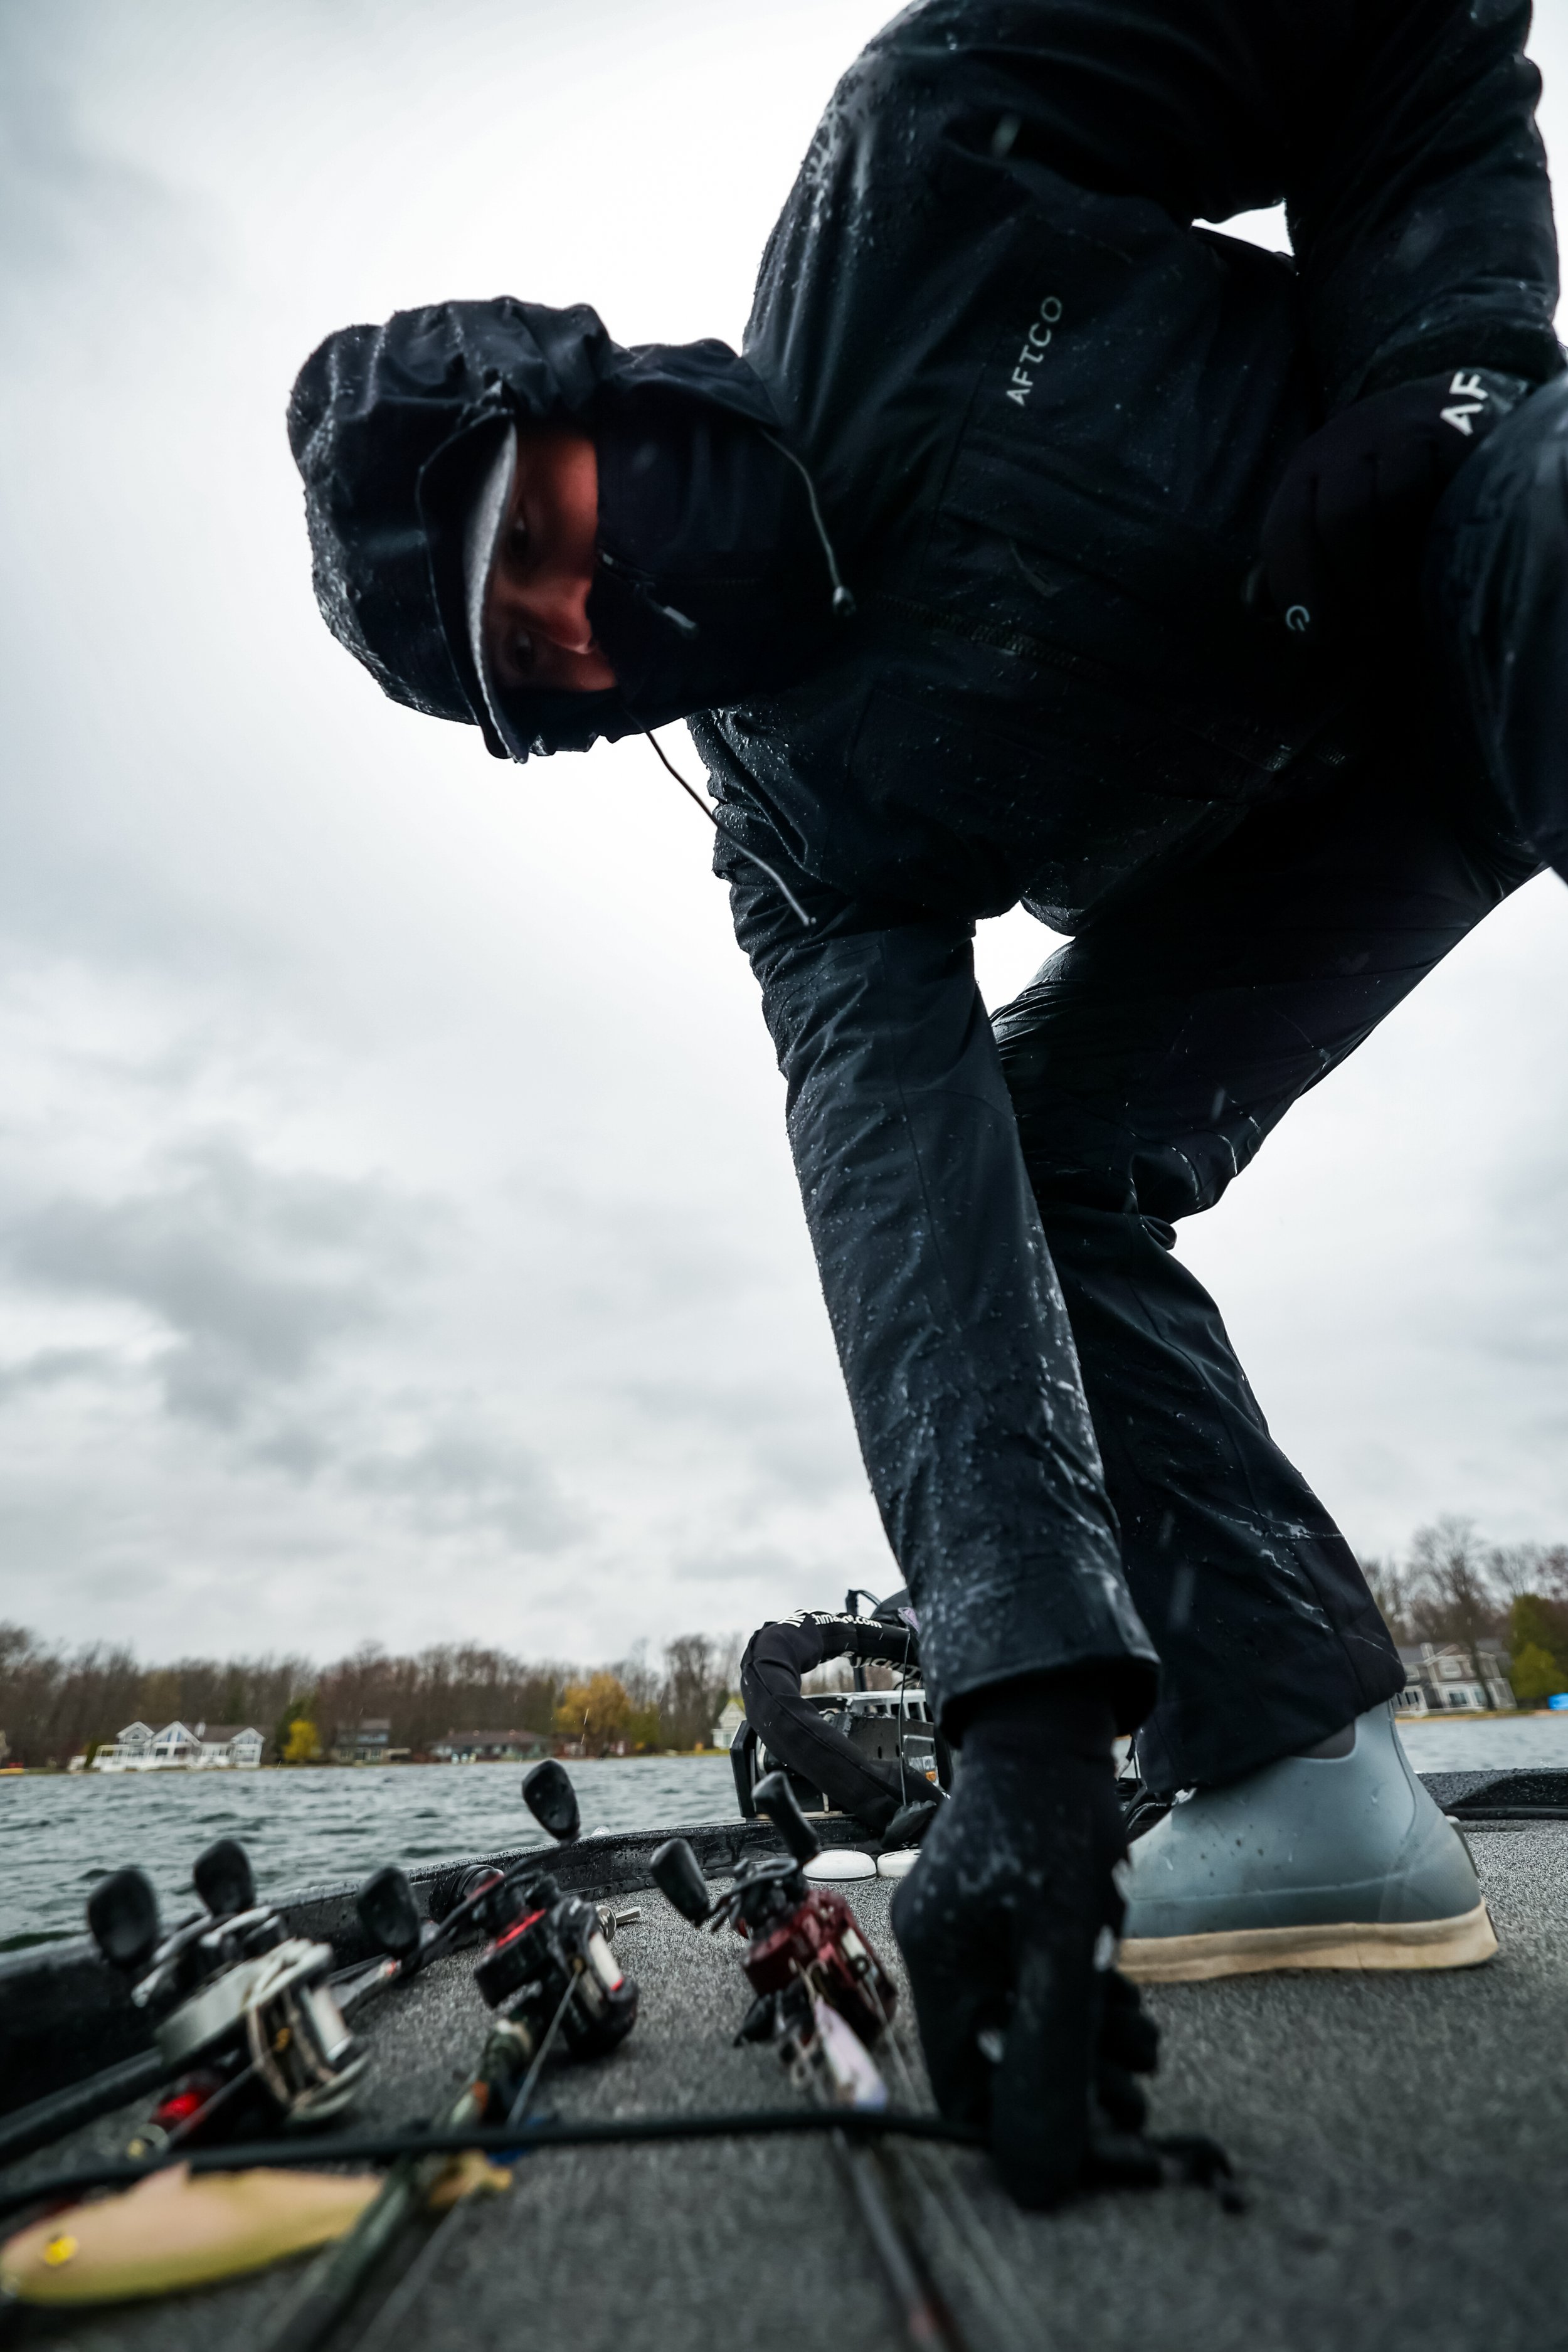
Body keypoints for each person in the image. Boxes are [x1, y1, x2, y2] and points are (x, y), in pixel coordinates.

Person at [288, 0, 1564, 2203]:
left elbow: (1409, 32)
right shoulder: (797, 835)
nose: (581, 614)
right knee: (1051, 1163)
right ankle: (1301, 1767)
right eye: (534, 655)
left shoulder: (923, 159)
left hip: (1468, 542)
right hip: (1308, 842)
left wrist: (1437, 368)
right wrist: (1027, 1728)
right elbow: (915, 1225)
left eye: (539, 530)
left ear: (573, 395)